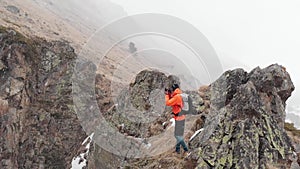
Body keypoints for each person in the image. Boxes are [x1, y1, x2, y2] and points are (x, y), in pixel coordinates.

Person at [165, 83, 189, 157]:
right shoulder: (178, 95)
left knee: (177, 136)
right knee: (178, 135)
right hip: (181, 117)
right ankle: (177, 150)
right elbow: (173, 101)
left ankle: (186, 149)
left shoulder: (177, 97)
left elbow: (168, 103)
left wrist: (166, 95)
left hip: (179, 118)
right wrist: (169, 94)